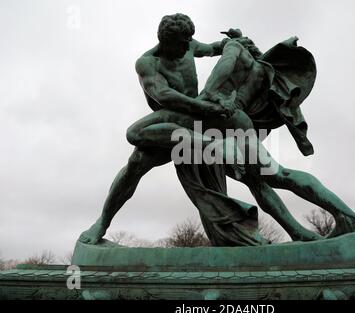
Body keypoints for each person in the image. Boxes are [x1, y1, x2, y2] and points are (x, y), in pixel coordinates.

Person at [79, 14, 321, 246]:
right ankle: (103, 222)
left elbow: (215, 48)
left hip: (201, 120)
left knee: (255, 178)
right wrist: (206, 107)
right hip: (174, 120)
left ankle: (295, 230)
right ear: (167, 42)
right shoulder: (147, 64)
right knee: (136, 161)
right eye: (183, 44)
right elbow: (166, 96)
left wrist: (234, 39)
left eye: (189, 42)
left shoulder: (189, 45)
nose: (188, 48)